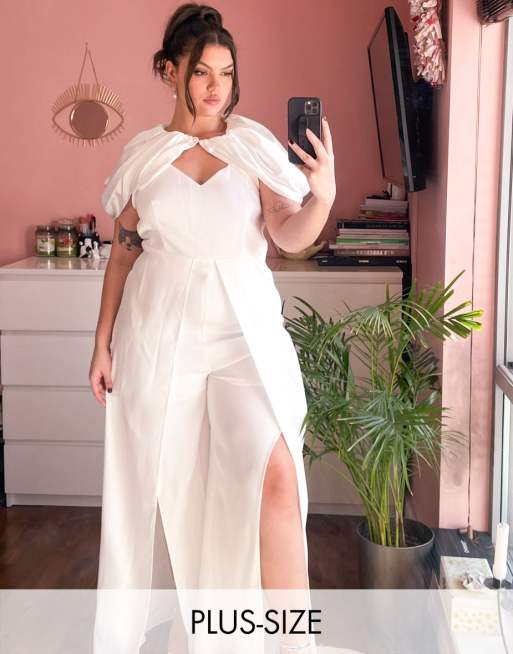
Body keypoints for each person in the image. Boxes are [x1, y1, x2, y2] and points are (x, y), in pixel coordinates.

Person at [89, 3, 335, 653]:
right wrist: (101, 343)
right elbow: (123, 254)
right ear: (170, 72)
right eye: (202, 72)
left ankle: (294, 646)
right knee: (177, 499)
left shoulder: (251, 147)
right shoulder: (145, 156)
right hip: (157, 339)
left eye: (226, 73)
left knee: (276, 473)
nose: (215, 87)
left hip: (243, 341)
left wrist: (324, 196)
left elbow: (290, 235)